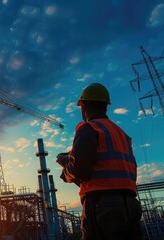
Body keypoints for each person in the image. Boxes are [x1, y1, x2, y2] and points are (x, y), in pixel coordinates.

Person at [56, 83, 142, 240]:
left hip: (102, 206)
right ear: (106, 107)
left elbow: (79, 170)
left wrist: (65, 171)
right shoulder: (121, 134)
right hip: (131, 205)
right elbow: (108, 163)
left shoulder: (88, 128)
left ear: (83, 106)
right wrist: (70, 159)